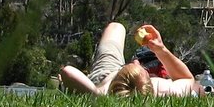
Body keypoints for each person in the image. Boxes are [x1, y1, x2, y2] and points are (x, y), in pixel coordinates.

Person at [58, 22, 205, 97]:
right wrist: (161, 49)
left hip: (106, 74)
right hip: (123, 80)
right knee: (117, 27)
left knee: (115, 26)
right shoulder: (159, 88)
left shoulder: (102, 91)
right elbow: (187, 78)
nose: (135, 61)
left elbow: (67, 72)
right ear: (149, 80)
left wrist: (96, 95)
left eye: (134, 64)